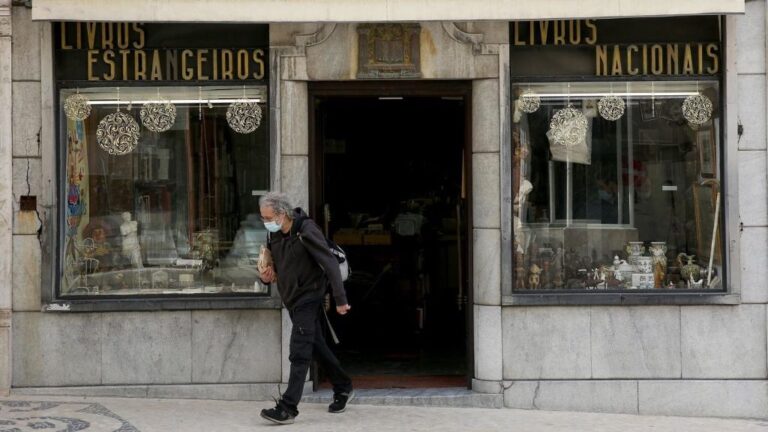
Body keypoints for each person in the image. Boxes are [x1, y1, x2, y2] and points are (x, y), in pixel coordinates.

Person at [258, 192, 354, 425]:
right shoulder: (275, 236)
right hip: (291, 299)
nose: (265, 222)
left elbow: (329, 262)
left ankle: (288, 407)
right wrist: (266, 277)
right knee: (316, 346)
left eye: (268, 217)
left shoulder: (306, 230)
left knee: (299, 350)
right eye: (262, 218)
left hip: (309, 297)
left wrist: (340, 299)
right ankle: (343, 386)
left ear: (282, 214)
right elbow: (274, 267)